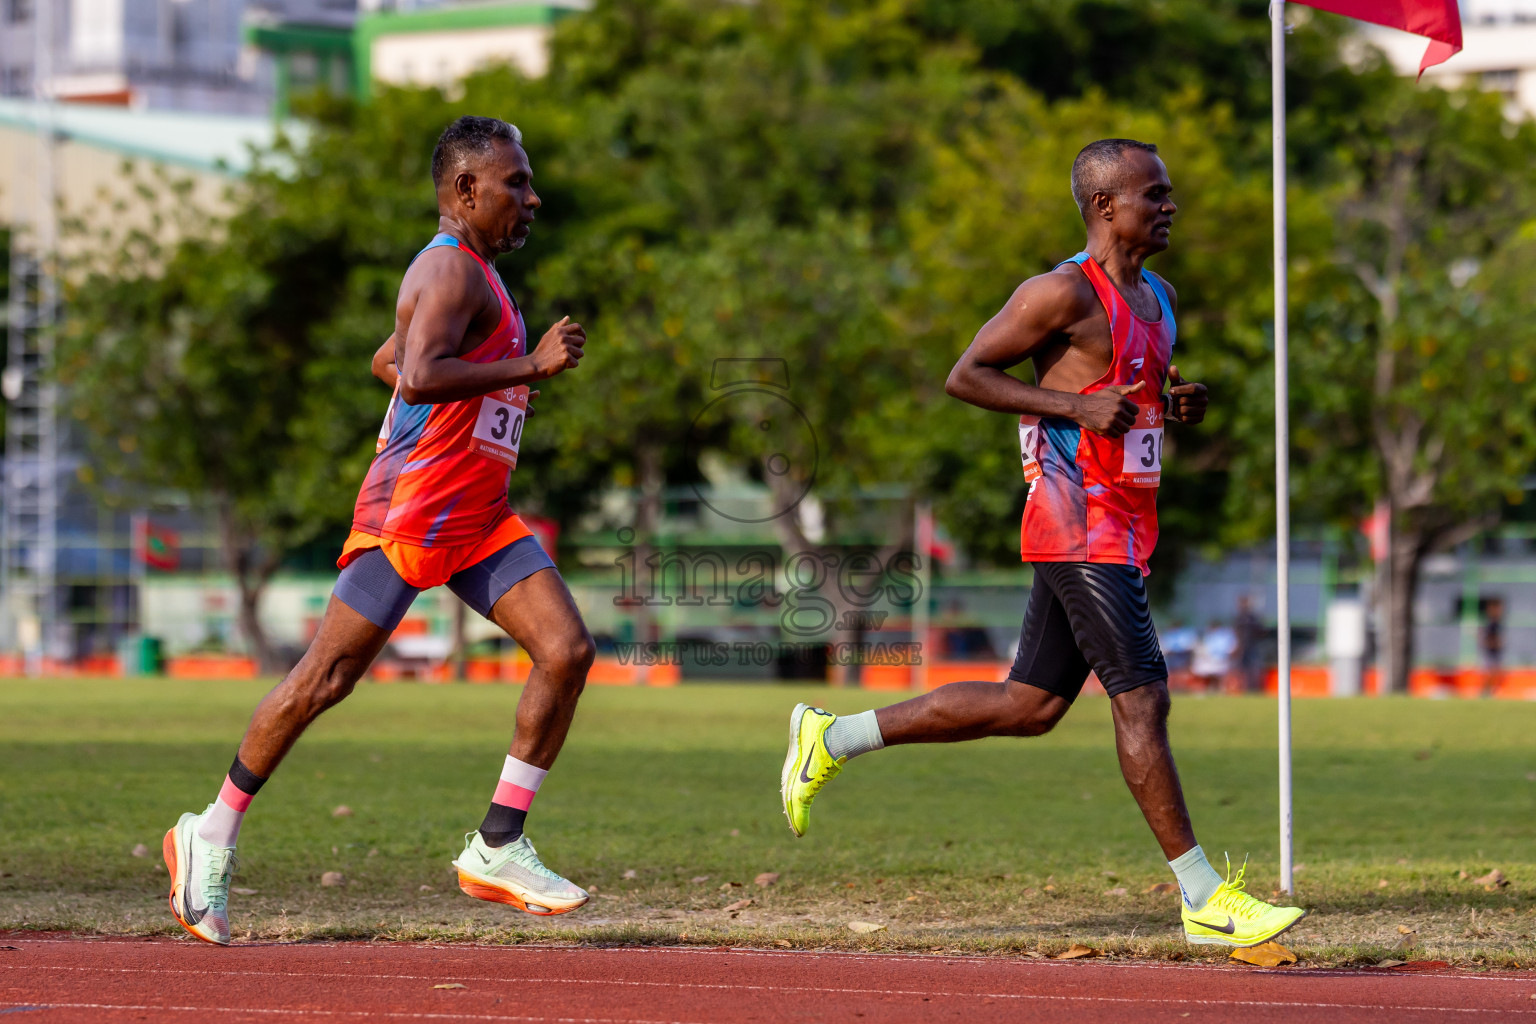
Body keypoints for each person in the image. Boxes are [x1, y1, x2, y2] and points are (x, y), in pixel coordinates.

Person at [780, 139, 1306, 949]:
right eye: (1154, 195)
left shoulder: (1158, 295)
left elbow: (1126, 388)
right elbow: (968, 375)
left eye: (1168, 195)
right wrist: (1075, 412)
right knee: (1143, 696)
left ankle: (832, 736)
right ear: (1104, 206)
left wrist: (1175, 402)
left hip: (1126, 520)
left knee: (1030, 706)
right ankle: (1203, 897)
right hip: (1074, 521)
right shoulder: (1060, 291)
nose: (1169, 207)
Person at [164, 116, 595, 945]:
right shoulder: (448, 269)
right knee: (323, 679)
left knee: (567, 650)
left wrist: (491, 390)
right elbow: (424, 374)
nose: (531, 197)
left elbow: (387, 360)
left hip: (475, 518)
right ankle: (207, 829)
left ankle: (497, 845)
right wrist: (529, 368)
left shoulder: (472, 275)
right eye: (516, 182)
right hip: (412, 514)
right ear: (467, 190)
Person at [1192, 619, 1237, 693]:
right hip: (1209, 660)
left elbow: (1230, 649)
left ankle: (1220, 689)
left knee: (1218, 672)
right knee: (1200, 666)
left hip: (1221, 660)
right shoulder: (1208, 636)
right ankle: (1205, 688)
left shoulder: (1225, 636)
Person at [1233, 595, 1265, 693]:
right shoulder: (1239, 618)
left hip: (1251, 646)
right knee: (1242, 668)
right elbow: (1236, 632)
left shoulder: (1252, 618)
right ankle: (1243, 687)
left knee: (1253, 667)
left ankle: (1254, 687)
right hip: (1242, 647)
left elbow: (1259, 631)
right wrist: (1238, 645)